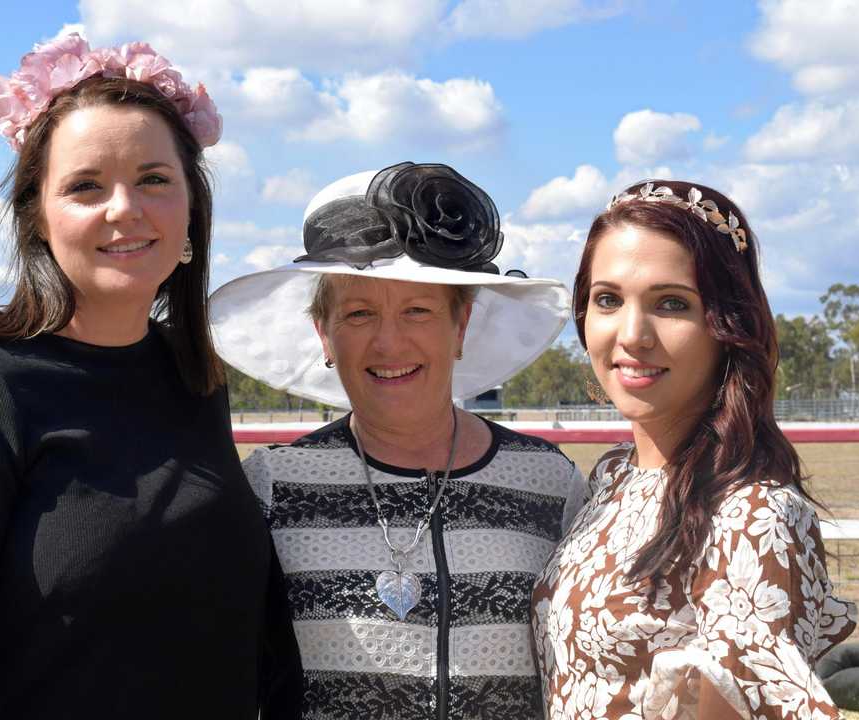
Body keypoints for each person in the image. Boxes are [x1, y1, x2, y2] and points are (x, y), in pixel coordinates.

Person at [0, 35, 299, 719]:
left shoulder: (192, 378)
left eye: (154, 179)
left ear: (191, 209)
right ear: (38, 218)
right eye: (85, 186)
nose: (124, 208)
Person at [210, 162, 587, 718]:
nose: (389, 342)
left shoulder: (549, 481)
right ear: (325, 334)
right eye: (359, 314)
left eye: (418, 310)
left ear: (459, 328)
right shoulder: (272, 485)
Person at [532, 181, 857, 719]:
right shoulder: (614, 477)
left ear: (726, 325)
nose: (632, 334)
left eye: (672, 304)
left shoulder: (754, 515)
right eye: (608, 299)